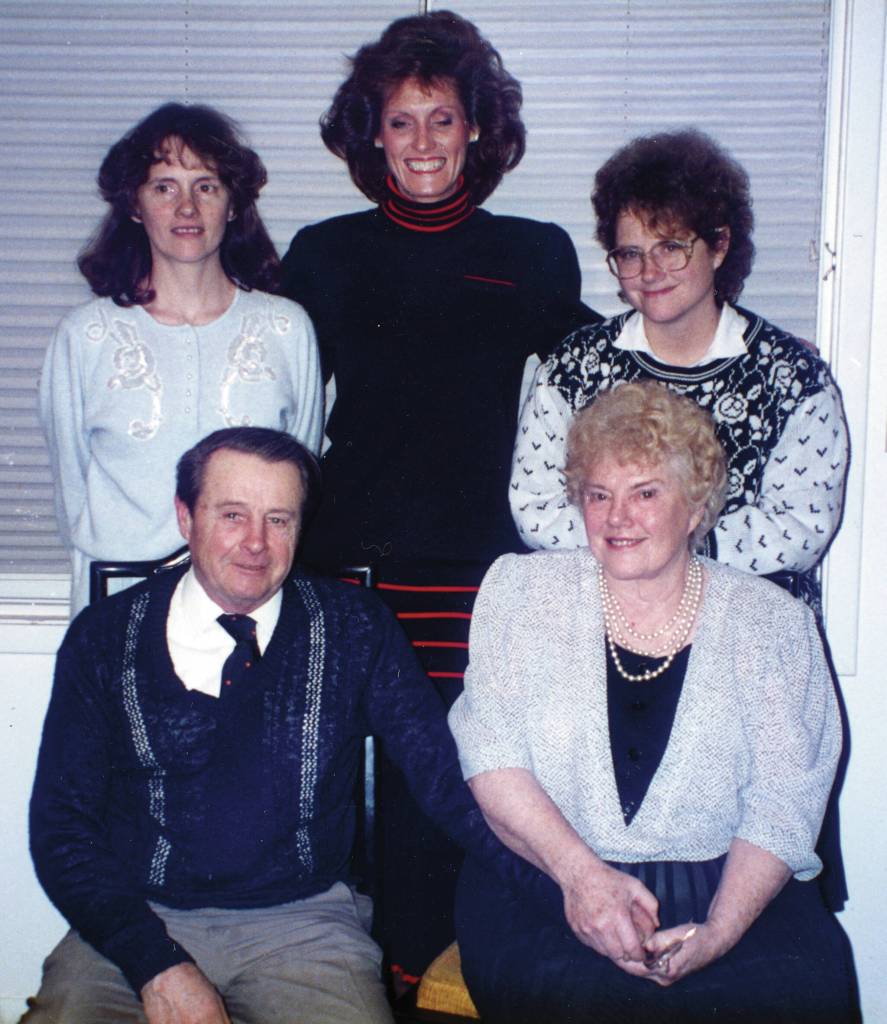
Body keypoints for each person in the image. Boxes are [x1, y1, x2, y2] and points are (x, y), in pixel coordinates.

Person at [25, 426, 556, 1024]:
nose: (256, 543)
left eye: (278, 520)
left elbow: (448, 783)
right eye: (232, 515)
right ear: (185, 517)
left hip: (304, 923)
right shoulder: (104, 637)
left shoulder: (355, 627)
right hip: (134, 922)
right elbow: (60, 828)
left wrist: (564, 888)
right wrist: (155, 964)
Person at [279, 10, 598, 979]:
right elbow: (266, 395)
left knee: (463, 791)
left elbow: (606, 373)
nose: (422, 141)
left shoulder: (533, 253)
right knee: (347, 797)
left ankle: (444, 984)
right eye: (400, 120)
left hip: (480, 572)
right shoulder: (324, 253)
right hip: (355, 566)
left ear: (475, 129)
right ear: (371, 134)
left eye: (442, 118)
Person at [450, 382, 859, 1023]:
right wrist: (582, 879)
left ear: (695, 508)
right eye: (598, 495)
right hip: (550, 880)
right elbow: (491, 760)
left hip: (731, 889)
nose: (618, 518)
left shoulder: (772, 623)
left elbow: (786, 804)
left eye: (645, 494)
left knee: (792, 995)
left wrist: (720, 931)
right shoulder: (522, 594)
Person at [510, 128, 848, 612]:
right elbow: (535, 509)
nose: (650, 272)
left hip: (746, 624)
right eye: (631, 254)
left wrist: (668, 550)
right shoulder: (573, 368)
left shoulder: (793, 377)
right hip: (605, 619)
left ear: (719, 246)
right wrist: (639, 551)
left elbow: (800, 527)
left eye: (671, 247)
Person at [40, 102, 322, 616]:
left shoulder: (286, 329)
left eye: (206, 186)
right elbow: (72, 494)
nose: (187, 208)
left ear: (232, 205)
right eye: (164, 187)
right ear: (135, 204)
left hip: (247, 603)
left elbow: (296, 483)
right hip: (119, 599)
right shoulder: (84, 338)